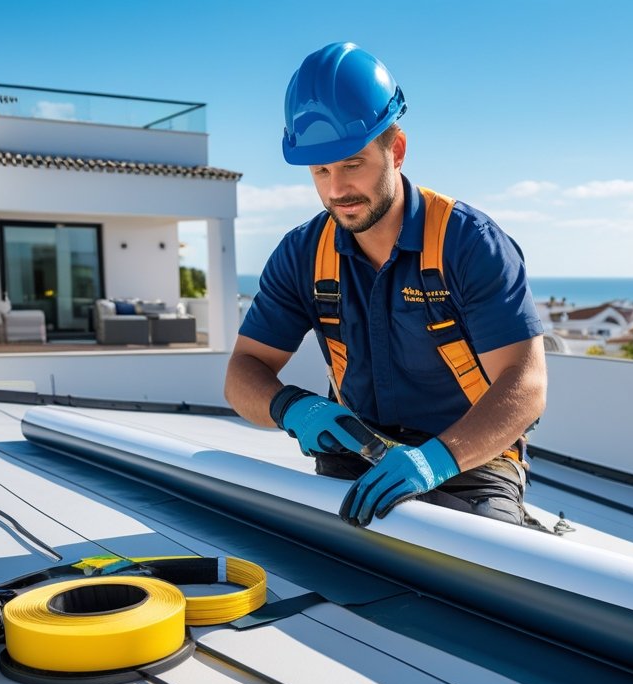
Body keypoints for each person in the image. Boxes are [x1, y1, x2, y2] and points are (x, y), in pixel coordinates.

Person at [224, 42, 546, 528]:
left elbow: (525, 387)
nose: (336, 190)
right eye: (320, 170)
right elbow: (243, 371)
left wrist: (435, 460)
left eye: (352, 164)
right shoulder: (304, 254)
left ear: (395, 149)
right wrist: (292, 408)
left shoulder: (468, 244)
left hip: (471, 457)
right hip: (358, 452)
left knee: (488, 571)